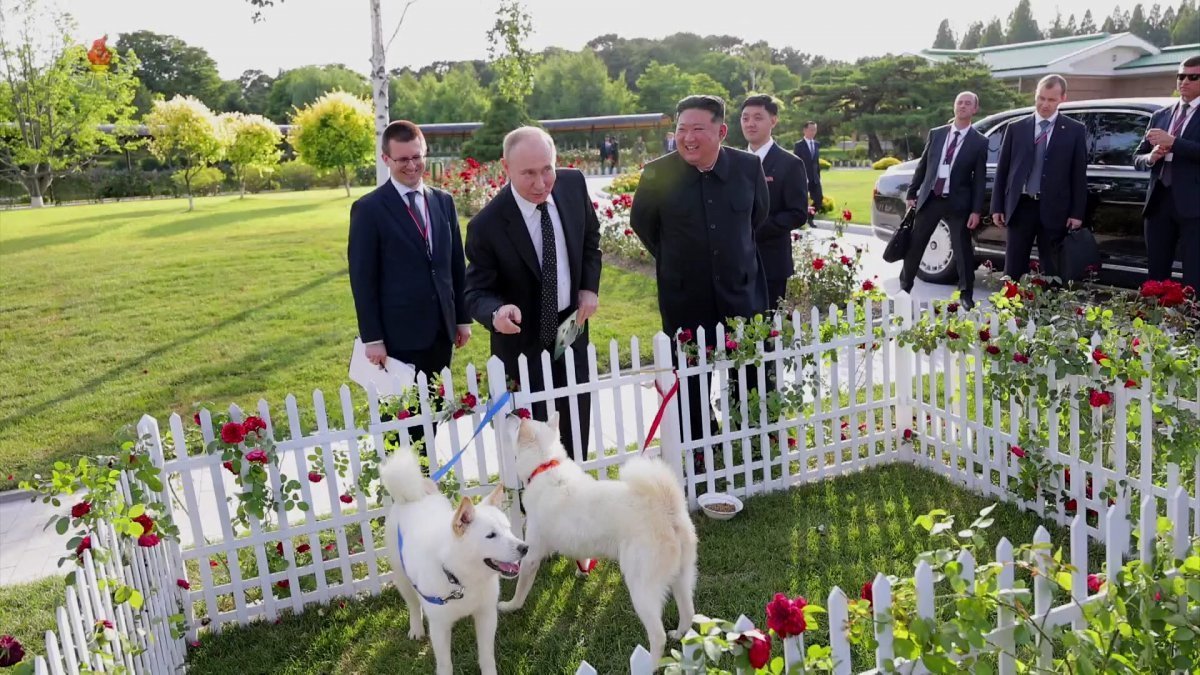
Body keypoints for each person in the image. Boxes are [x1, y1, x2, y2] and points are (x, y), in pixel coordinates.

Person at [631, 94, 768, 453]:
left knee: (747, 372)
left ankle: (748, 437)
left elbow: (757, 218)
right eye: (681, 129)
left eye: (698, 129)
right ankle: (698, 444)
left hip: (741, 293)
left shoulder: (748, 168)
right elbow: (645, 226)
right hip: (685, 298)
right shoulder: (657, 173)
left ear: (722, 131)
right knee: (690, 377)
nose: (688, 138)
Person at [465, 127, 602, 462]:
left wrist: (588, 287)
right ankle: (533, 508)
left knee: (574, 426)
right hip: (521, 346)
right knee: (530, 446)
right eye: (528, 173)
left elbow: (590, 241)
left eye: (547, 170)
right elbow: (475, 291)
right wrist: (496, 312)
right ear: (506, 167)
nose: (541, 183)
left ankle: (576, 496)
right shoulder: (487, 225)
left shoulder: (573, 185)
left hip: (571, 333)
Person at [347, 120, 471, 449]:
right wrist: (373, 338)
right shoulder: (369, 209)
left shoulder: (443, 201)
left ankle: (427, 482)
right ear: (386, 159)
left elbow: (455, 264)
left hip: (440, 333)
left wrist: (461, 317)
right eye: (403, 159)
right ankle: (405, 488)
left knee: (432, 415)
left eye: (418, 157)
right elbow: (363, 280)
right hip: (397, 338)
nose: (412, 165)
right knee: (401, 425)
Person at [990, 74, 1088, 282]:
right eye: (1041, 98)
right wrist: (997, 206)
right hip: (1020, 206)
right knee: (1013, 270)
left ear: (1063, 99)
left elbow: (1078, 175)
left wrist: (1077, 212)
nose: (1045, 104)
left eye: (1051, 100)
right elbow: (1003, 170)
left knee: (1051, 271)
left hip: (1054, 209)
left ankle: (1045, 312)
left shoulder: (1074, 131)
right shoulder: (1016, 128)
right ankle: (1011, 313)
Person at [900, 92, 989, 308]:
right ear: (954, 106)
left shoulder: (979, 142)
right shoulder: (937, 134)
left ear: (974, 110)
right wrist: (912, 192)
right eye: (959, 102)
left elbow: (979, 180)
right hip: (931, 198)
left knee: (962, 249)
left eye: (968, 103)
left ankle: (966, 294)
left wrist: (976, 211)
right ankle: (904, 289)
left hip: (958, 203)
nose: (963, 106)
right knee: (916, 244)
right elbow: (923, 165)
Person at [1133, 55, 1200, 290]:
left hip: (1193, 207)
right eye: (1181, 76)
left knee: (1193, 275)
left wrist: (1174, 142)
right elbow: (1137, 158)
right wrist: (1151, 158)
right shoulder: (1161, 115)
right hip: (1159, 201)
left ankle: (1191, 324)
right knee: (1156, 275)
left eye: (1193, 77)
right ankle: (1157, 322)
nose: (1185, 81)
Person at [739, 94, 808, 310]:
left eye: (758, 117)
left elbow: (797, 213)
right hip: (736, 263)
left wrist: (753, 231)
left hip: (771, 262)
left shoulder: (790, 164)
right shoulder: (733, 162)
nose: (750, 123)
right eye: (745, 118)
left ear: (773, 120)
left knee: (767, 331)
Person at [793, 121, 823, 224]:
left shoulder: (816, 144)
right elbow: (796, 163)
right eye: (811, 129)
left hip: (815, 178)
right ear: (805, 130)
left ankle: (810, 219)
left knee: (818, 198)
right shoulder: (799, 145)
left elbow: (816, 163)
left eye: (815, 129)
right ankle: (802, 220)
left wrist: (819, 177)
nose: (813, 132)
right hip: (803, 177)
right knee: (803, 200)